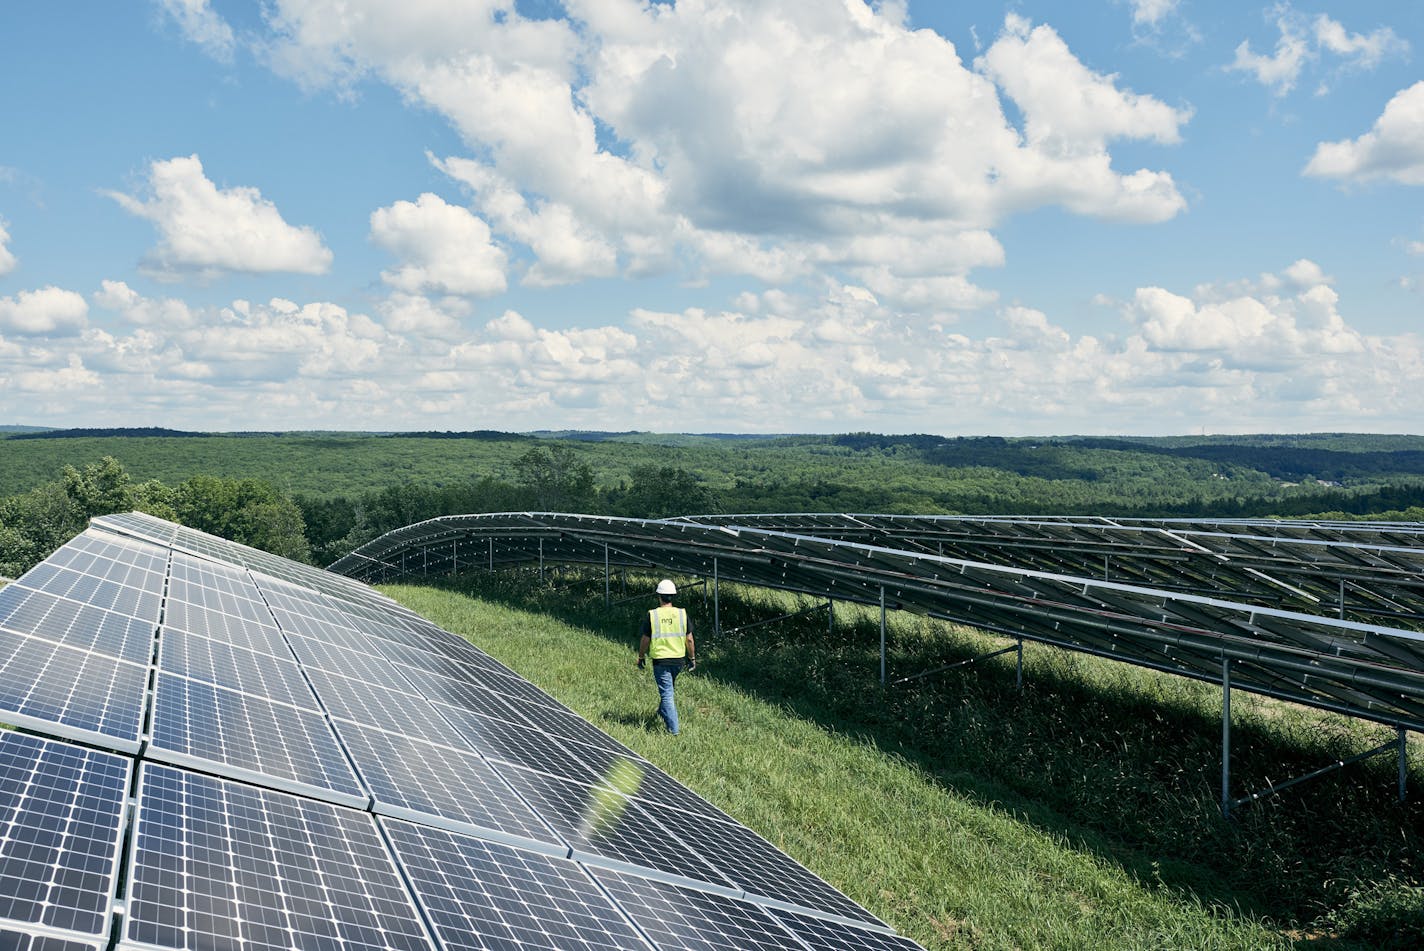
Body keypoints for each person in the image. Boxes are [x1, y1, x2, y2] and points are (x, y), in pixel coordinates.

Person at [635, 579, 696, 735]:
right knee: (668, 690)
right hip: (678, 661)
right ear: (672, 596)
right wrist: (692, 658)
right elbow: (689, 638)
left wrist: (641, 656)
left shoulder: (653, 615)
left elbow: (645, 639)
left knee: (667, 694)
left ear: (659, 596)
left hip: (661, 661)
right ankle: (662, 712)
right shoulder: (682, 614)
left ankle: (673, 730)